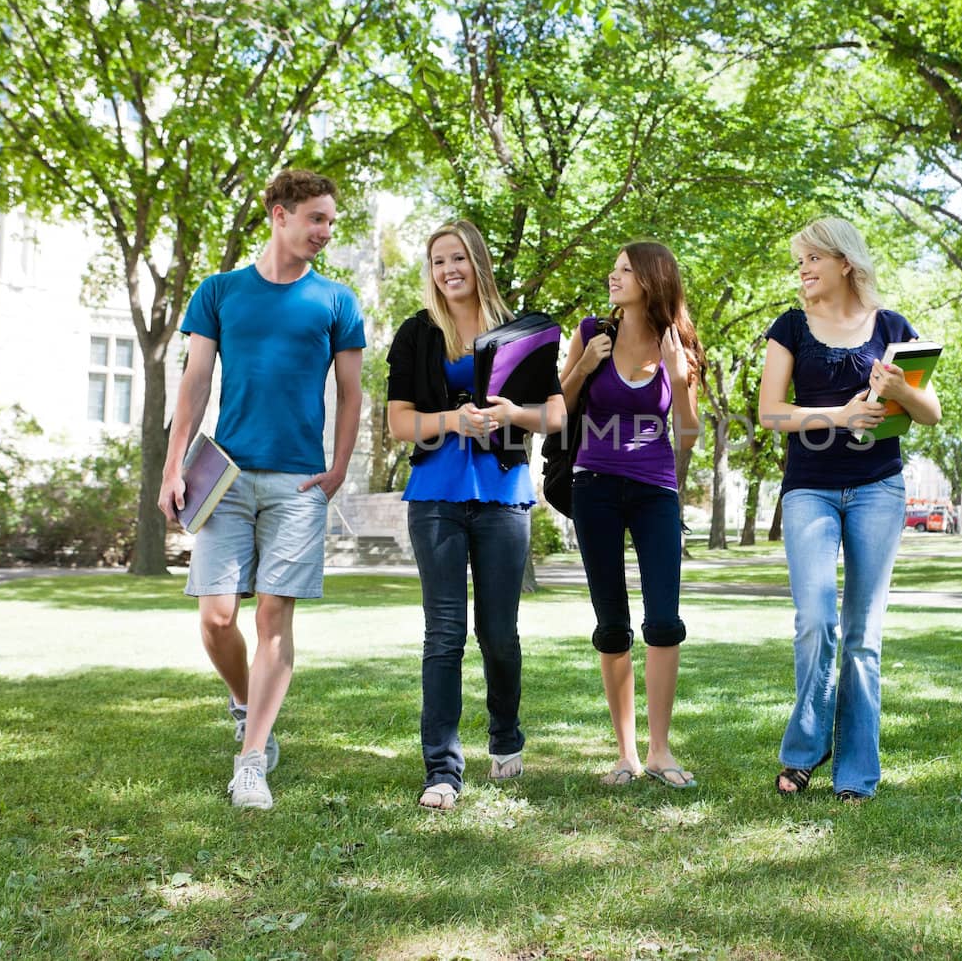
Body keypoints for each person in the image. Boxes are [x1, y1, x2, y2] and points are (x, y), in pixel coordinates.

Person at [159, 169, 366, 811]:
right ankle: (246, 701)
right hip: (225, 476)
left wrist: (337, 469)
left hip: (299, 483)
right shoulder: (220, 292)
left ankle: (252, 758)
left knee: (274, 617)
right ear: (279, 215)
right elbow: (194, 385)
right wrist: (172, 468)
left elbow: (354, 393)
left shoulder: (336, 301)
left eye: (331, 221)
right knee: (217, 617)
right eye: (317, 219)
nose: (326, 232)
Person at [757, 217, 940, 802]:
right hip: (809, 487)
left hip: (878, 489)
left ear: (844, 262)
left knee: (864, 633)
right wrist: (838, 415)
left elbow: (929, 413)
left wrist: (899, 389)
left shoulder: (891, 328)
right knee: (815, 619)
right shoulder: (790, 327)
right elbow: (770, 413)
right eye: (800, 261)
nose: (804, 270)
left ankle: (857, 773)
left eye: (813, 258)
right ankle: (806, 748)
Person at [386, 220, 565, 812]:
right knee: (444, 634)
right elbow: (399, 423)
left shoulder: (522, 334)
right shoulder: (416, 334)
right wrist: (452, 421)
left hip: (504, 495)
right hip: (435, 497)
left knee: (499, 633)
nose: (447, 270)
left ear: (478, 262)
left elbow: (557, 414)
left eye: (457, 258)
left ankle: (506, 738)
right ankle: (442, 768)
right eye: (438, 261)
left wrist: (516, 412)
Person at [560, 241, 703, 789]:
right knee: (612, 623)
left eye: (624, 270)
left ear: (651, 279)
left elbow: (687, 436)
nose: (613, 277)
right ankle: (625, 755)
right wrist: (586, 366)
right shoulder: (591, 333)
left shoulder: (678, 343)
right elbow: (558, 411)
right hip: (593, 487)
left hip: (655, 491)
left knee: (664, 619)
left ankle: (660, 750)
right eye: (613, 268)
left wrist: (679, 374)